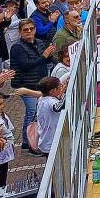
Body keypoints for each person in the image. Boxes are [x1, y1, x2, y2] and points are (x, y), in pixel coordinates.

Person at [10, 19, 55, 150]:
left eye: (31, 28)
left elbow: (46, 60)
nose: (29, 31)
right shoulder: (17, 47)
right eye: (25, 30)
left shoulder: (40, 43)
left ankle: (34, 139)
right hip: (25, 85)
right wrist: (44, 56)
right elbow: (26, 65)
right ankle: (27, 142)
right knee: (32, 111)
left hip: (39, 84)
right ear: (20, 32)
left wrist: (50, 54)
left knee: (37, 113)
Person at [34, 76, 66, 156]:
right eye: (59, 87)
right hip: (51, 141)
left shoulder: (42, 99)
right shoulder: (50, 101)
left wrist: (62, 93)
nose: (61, 88)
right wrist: (67, 95)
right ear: (53, 90)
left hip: (45, 139)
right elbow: (58, 107)